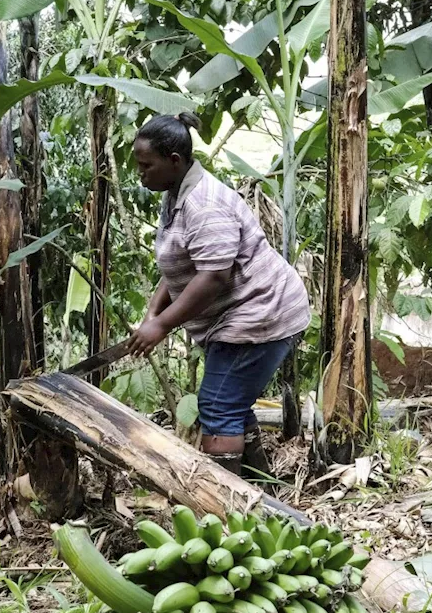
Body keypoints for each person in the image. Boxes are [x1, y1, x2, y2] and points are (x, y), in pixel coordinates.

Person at [126, 112, 310, 478]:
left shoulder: (204, 205)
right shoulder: (177, 191)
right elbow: (183, 262)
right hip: (241, 316)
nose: (140, 173)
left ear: (174, 161)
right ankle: (261, 498)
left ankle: (223, 511)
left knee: (219, 406)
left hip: (262, 313)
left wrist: (161, 326)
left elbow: (213, 276)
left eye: (146, 165)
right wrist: (152, 311)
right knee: (231, 404)